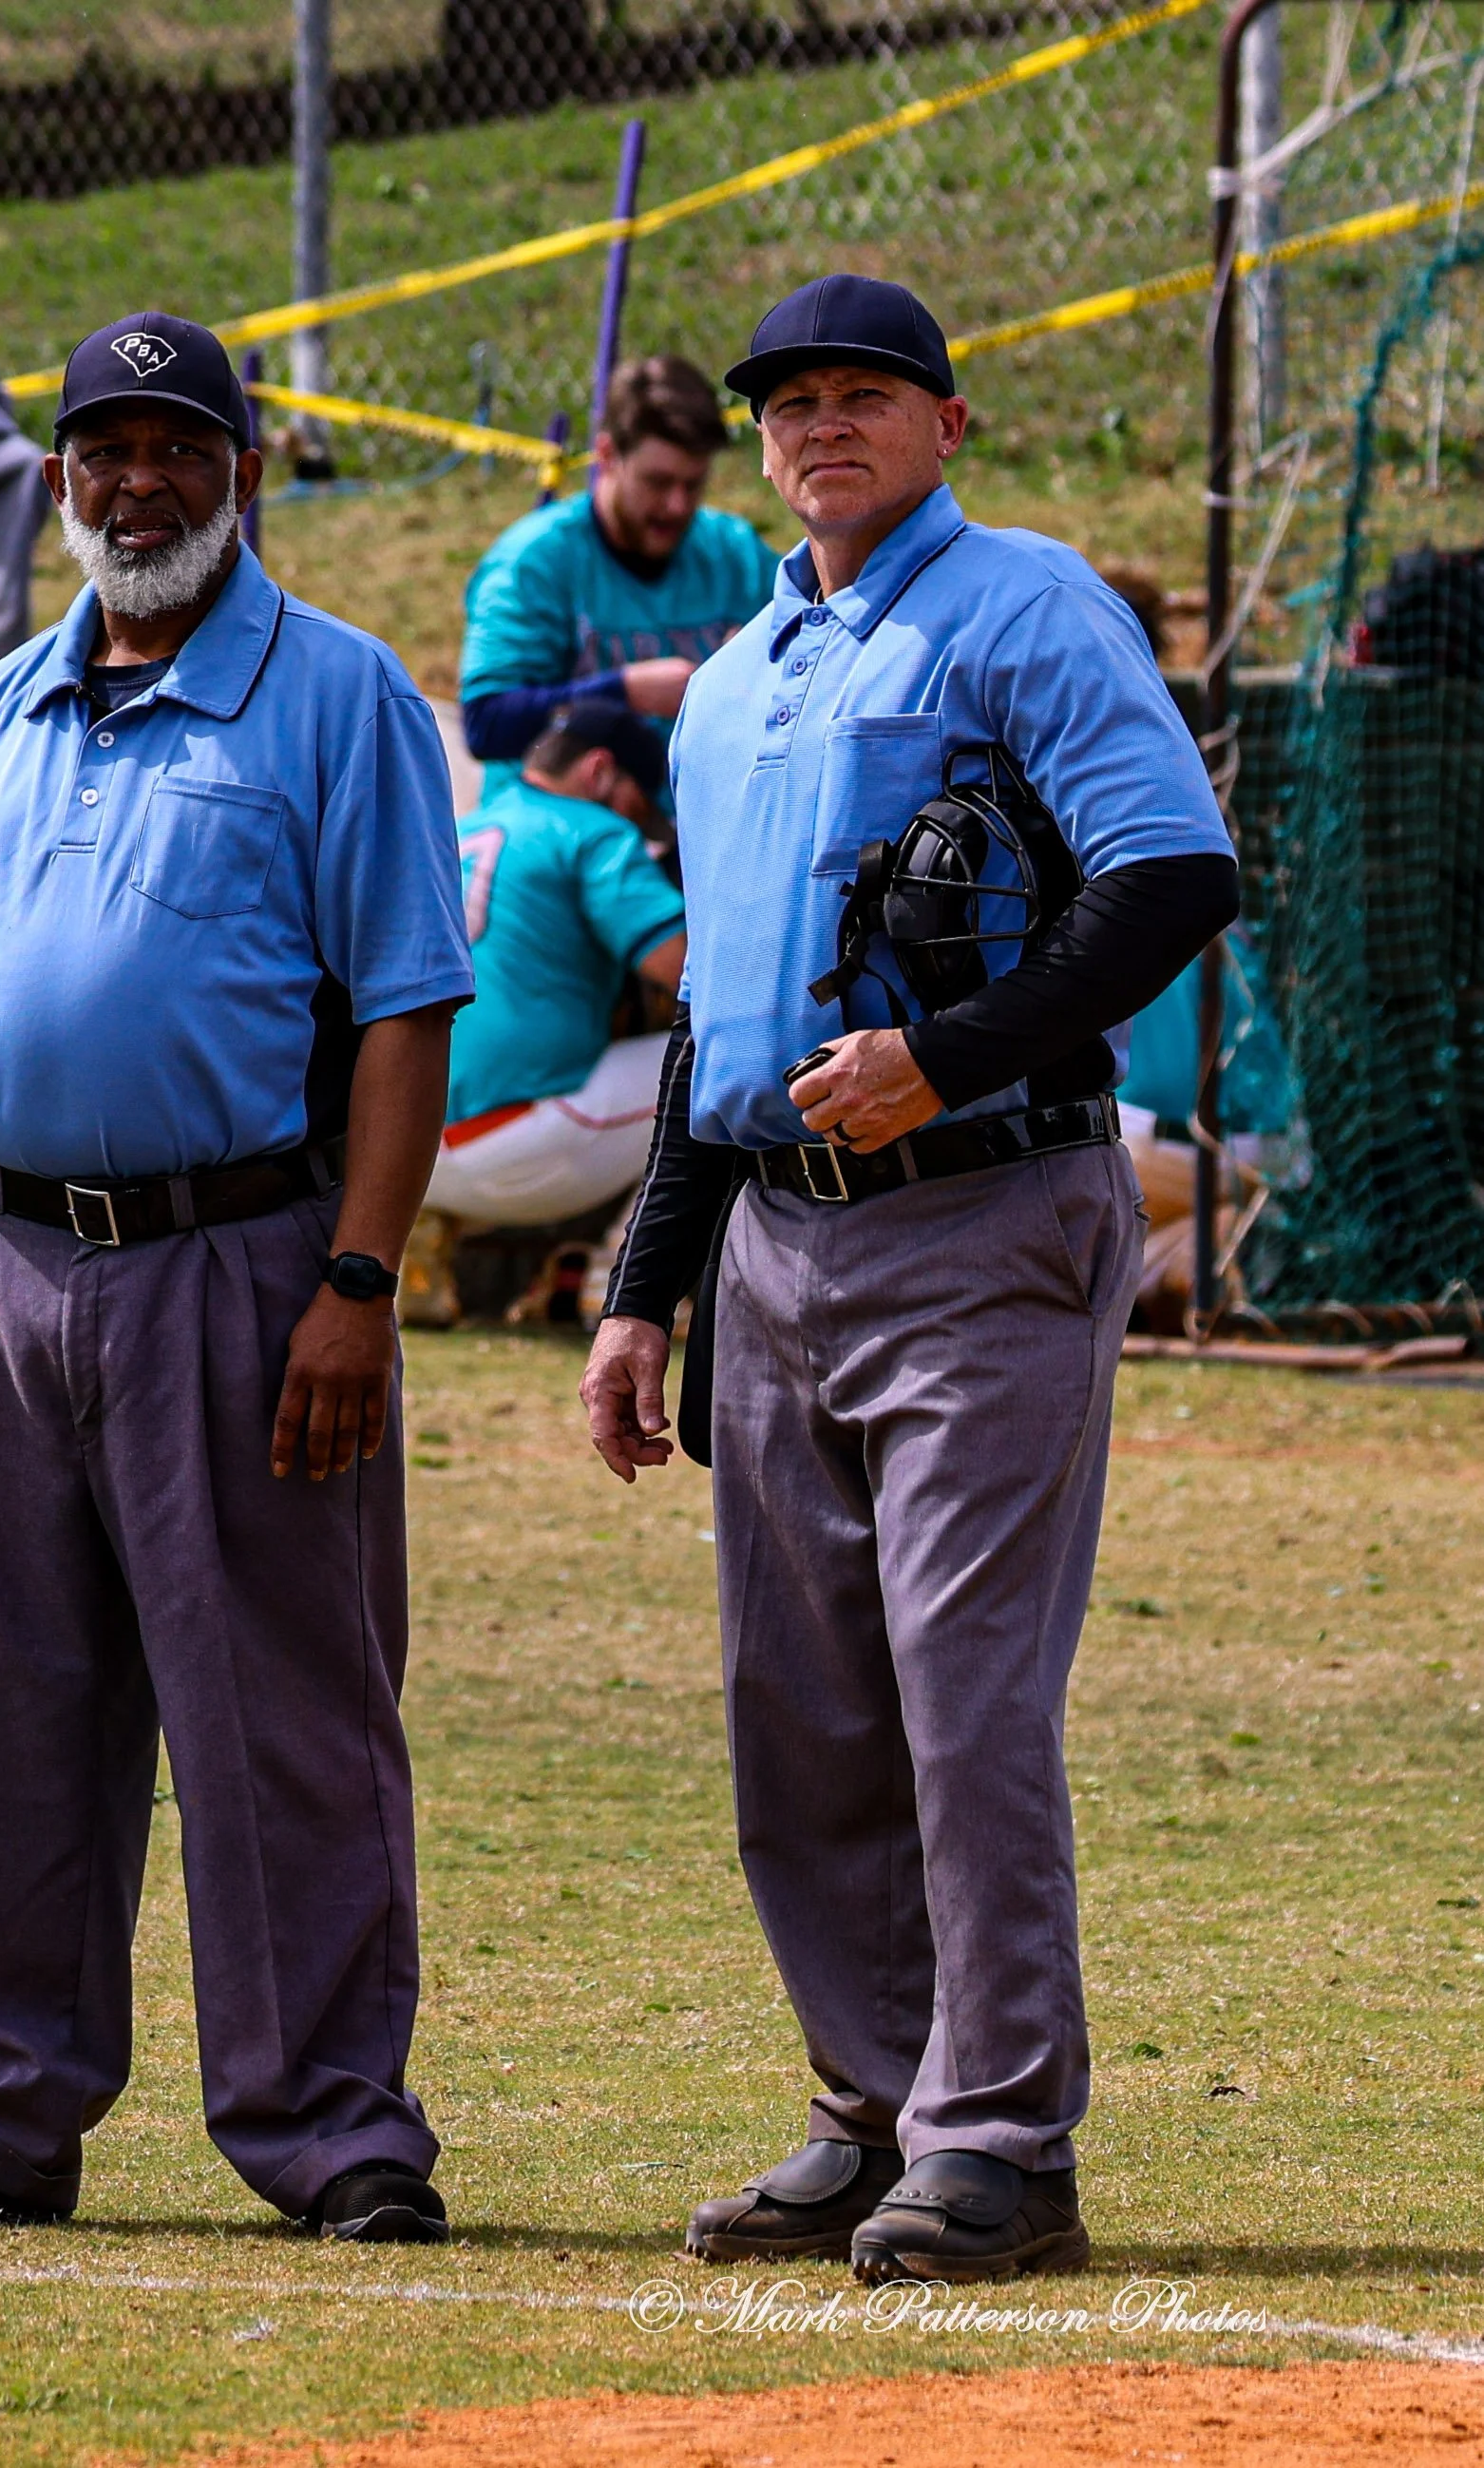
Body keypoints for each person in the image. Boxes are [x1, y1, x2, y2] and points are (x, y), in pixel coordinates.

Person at [0, 313, 473, 2246]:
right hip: (4, 1263)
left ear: (242, 471)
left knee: (287, 1713)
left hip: (241, 1264)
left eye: (182, 448)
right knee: (3, 1704)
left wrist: (360, 1273)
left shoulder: (337, 698)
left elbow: (412, 1015)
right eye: (105, 451)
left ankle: (336, 2126)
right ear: (62, 477)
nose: (140, 485)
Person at [579, 274, 1240, 2284]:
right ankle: (871, 2111)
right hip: (778, 1236)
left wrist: (954, 1052)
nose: (823, 424)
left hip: (983, 1213)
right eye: (793, 401)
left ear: (950, 421)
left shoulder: (1028, 605)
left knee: (962, 1698)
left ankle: (1002, 2138)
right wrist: (643, 1280)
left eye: (868, 393)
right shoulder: (751, 668)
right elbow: (727, 1023)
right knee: (805, 1710)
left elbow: (1173, 872)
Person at [405, 698, 686, 1329]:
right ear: (599, 771)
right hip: (522, 1144)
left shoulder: (462, 826)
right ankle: (624, 1275)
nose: (643, 818)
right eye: (639, 798)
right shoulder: (592, 830)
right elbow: (688, 969)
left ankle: (421, 1250)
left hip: (408, 1150)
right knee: (722, 1060)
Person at [458, 354, 776, 804]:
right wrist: (624, 692)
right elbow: (486, 724)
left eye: (694, 484)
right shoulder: (534, 563)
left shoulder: (735, 554)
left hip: (684, 832)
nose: (677, 506)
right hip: (559, 844)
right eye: (658, 482)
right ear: (607, 456)